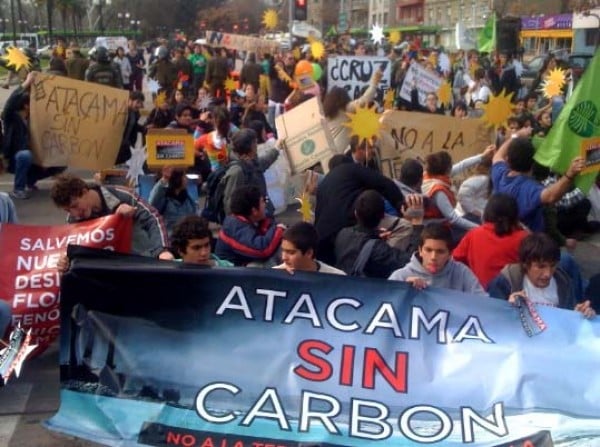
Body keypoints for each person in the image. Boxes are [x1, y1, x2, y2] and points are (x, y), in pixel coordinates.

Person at [50, 173, 172, 259]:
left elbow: (152, 218)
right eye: (68, 210)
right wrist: (65, 259)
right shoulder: (72, 220)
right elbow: (74, 251)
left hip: (141, 260)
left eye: (75, 206)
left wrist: (162, 251)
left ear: (84, 192)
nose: (75, 214)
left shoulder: (121, 194)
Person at [315, 155, 406, 265]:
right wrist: (401, 206)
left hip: (323, 241)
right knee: (404, 226)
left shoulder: (325, 183)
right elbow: (384, 183)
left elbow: (318, 213)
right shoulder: (352, 169)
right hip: (348, 231)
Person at [491, 126, 586, 232]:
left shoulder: (499, 174)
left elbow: (497, 155)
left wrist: (516, 135)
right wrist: (570, 174)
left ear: (507, 160)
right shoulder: (530, 188)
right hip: (527, 243)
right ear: (533, 163)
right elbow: (551, 196)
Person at [487, 233, 595, 318]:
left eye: (552, 266)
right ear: (525, 264)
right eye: (540, 267)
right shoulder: (506, 282)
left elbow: (569, 315)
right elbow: (491, 318)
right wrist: (507, 307)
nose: (548, 274)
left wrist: (580, 314)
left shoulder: (563, 282)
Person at [1, 71, 65, 199]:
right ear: (26, 105)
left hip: (34, 158)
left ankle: (30, 181)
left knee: (61, 157)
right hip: (14, 159)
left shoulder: (35, 119)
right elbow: (10, 103)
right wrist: (26, 83)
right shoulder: (11, 117)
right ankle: (18, 189)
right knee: (25, 155)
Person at [335, 190, 424, 278]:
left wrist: (375, 236)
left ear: (356, 213)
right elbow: (411, 260)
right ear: (383, 216)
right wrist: (417, 223)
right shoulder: (379, 250)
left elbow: (358, 244)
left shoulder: (342, 233)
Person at [453, 194, 529, 289]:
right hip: (511, 296)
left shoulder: (474, 234)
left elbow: (455, 259)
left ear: (487, 212)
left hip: (478, 293)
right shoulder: (524, 238)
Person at [388, 223, 487, 295]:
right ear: (420, 250)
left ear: (450, 254)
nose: (433, 257)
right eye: (428, 250)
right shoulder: (400, 277)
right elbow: (385, 306)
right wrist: (402, 290)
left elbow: (484, 305)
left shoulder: (462, 273)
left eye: (440, 252)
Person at [215, 185, 284, 266]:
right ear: (254, 210)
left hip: (241, 269)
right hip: (231, 274)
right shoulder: (234, 226)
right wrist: (279, 229)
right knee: (262, 264)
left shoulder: (253, 220)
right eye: (263, 201)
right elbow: (262, 250)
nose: (265, 204)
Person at [222, 128, 281, 217]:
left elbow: (262, 163)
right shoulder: (237, 171)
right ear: (249, 147)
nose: (257, 145)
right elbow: (230, 206)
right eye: (255, 143)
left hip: (261, 214)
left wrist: (276, 149)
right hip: (252, 219)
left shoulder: (249, 161)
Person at [274, 222, 345, 275]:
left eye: (291, 252)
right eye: (283, 250)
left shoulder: (337, 278)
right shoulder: (273, 275)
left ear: (309, 253)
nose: (284, 257)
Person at [148, 167, 198, 236]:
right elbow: (152, 203)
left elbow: (194, 214)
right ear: (177, 179)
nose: (186, 179)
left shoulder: (187, 198)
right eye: (184, 176)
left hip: (187, 236)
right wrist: (164, 179)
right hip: (170, 238)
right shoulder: (164, 199)